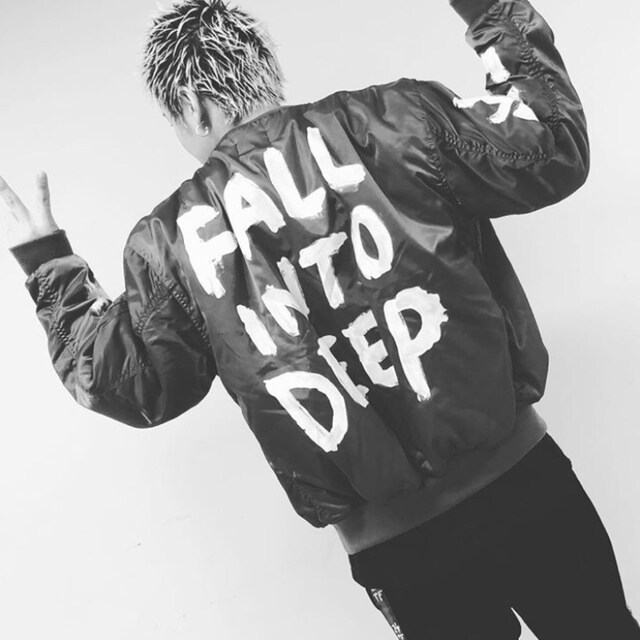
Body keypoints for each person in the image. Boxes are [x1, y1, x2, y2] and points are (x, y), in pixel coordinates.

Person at [1, 0, 638, 637]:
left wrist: (49, 264)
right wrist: (488, 9)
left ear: (192, 107)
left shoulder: (170, 244)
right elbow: (549, 144)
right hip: (525, 484)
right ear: (264, 71)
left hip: (403, 550)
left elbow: (127, 384)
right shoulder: (397, 119)